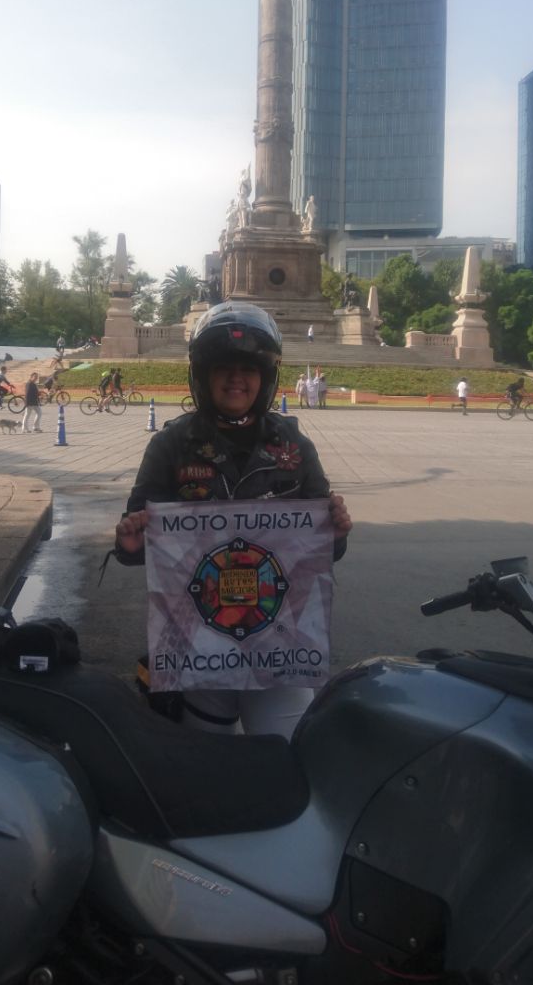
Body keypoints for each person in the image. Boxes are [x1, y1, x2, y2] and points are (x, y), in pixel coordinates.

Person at [113, 301, 352, 738]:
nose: (236, 378)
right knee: (205, 766)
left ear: (266, 378)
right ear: (203, 376)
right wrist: (130, 542)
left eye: (249, 368)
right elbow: (137, 538)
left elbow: (323, 550)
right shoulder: (171, 445)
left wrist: (334, 531)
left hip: (280, 640)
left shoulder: (294, 445)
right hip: (199, 640)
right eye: (223, 367)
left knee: (288, 759)